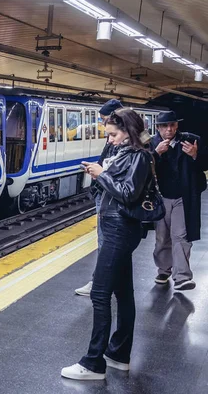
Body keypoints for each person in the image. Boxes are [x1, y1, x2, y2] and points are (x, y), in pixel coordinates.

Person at [61, 108, 151, 380]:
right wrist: (99, 175)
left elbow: (127, 193)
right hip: (119, 228)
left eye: (112, 134)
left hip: (119, 231)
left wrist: (101, 174)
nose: (109, 140)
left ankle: (93, 363)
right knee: (123, 294)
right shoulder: (128, 154)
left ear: (128, 131)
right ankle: (118, 354)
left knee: (100, 295)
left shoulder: (139, 156)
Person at [151, 110, 208, 290]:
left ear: (177, 125)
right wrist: (155, 154)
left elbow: (205, 164)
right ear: (158, 128)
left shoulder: (191, 140)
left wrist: (195, 155)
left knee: (180, 235)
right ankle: (163, 269)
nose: (169, 129)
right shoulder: (151, 144)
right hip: (160, 197)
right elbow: (142, 169)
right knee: (162, 237)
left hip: (184, 196)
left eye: (172, 125)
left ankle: (182, 276)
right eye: (165, 126)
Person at [75, 99, 124, 296]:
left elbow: (121, 178)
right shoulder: (116, 141)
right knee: (106, 242)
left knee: (106, 242)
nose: (104, 127)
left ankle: (100, 284)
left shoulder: (132, 147)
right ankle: (108, 282)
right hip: (105, 192)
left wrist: (100, 173)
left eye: (105, 120)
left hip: (111, 199)